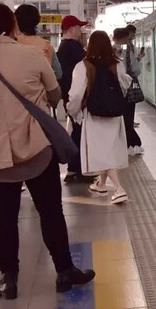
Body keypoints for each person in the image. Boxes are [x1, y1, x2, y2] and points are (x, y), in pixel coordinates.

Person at [0, 3, 94, 300]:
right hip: (35, 149)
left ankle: (9, 280)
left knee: (3, 217)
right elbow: (56, 94)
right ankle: (64, 271)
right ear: (13, 25)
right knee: (50, 211)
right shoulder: (32, 54)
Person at [66, 31, 131, 205]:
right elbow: (125, 85)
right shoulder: (117, 64)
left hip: (94, 115)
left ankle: (119, 189)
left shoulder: (83, 66)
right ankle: (101, 184)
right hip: (114, 114)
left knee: (101, 152)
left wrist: (72, 111)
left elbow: (76, 94)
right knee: (108, 150)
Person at [56, 15, 94, 184]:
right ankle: (78, 169)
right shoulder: (72, 47)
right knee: (80, 133)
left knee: (77, 131)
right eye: (79, 28)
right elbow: (88, 65)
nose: (81, 31)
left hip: (69, 95)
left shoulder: (64, 46)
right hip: (77, 97)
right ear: (71, 29)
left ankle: (74, 169)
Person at [113, 28, 143, 155]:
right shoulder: (126, 49)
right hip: (128, 87)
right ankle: (133, 143)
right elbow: (135, 69)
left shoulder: (111, 49)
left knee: (124, 117)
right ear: (125, 37)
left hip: (117, 89)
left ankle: (130, 143)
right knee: (129, 116)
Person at [14, 4, 62, 80]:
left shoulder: (12, 44)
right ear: (37, 21)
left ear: (16, 21)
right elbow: (58, 73)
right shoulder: (47, 46)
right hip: (41, 89)